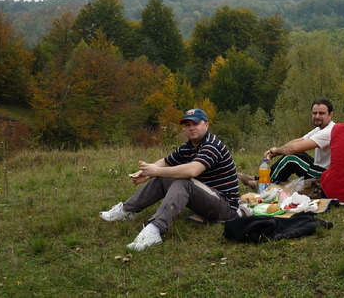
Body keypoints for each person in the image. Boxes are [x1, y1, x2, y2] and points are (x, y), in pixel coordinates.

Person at [100, 108, 240, 251]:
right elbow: (167, 161)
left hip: (225, 207)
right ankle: (126, 210)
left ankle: (155, 230)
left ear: (207, 125)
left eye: (196, 124)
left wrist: (156, 171)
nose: (191, 128)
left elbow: (193, 170)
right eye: (187, 125)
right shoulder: (189, 146)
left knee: (183, 182)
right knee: (165, 177)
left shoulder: (212, 145)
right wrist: (145, 173)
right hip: (208, 198)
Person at [238, 98, 336, 188]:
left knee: (292, 158)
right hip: (319, 168)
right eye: (314, 113)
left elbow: (295, 148)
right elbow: (299, 141)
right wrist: (277, 150)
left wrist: (277, 151)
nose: (317, 116)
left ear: (330, 115)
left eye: (321, 113)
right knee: (296, 155)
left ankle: (262, 184)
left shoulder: (329, 131)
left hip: (325, 175)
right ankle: (258, 179)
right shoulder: (320, 129)